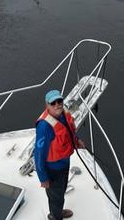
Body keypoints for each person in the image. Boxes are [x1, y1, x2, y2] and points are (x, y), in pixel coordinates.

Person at [34, 89, 85, 220]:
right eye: (53, 103)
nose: (57, 105)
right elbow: (38, 154)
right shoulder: (44, 127)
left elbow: (69, 131)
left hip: (64, 164)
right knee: (56, 196)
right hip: (53, 170)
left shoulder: (64, 114)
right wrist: (43, 177)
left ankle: (57, 212)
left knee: (60, 192)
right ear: (47, 106)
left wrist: (77, 141)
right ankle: (55, 216)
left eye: (59, 101)